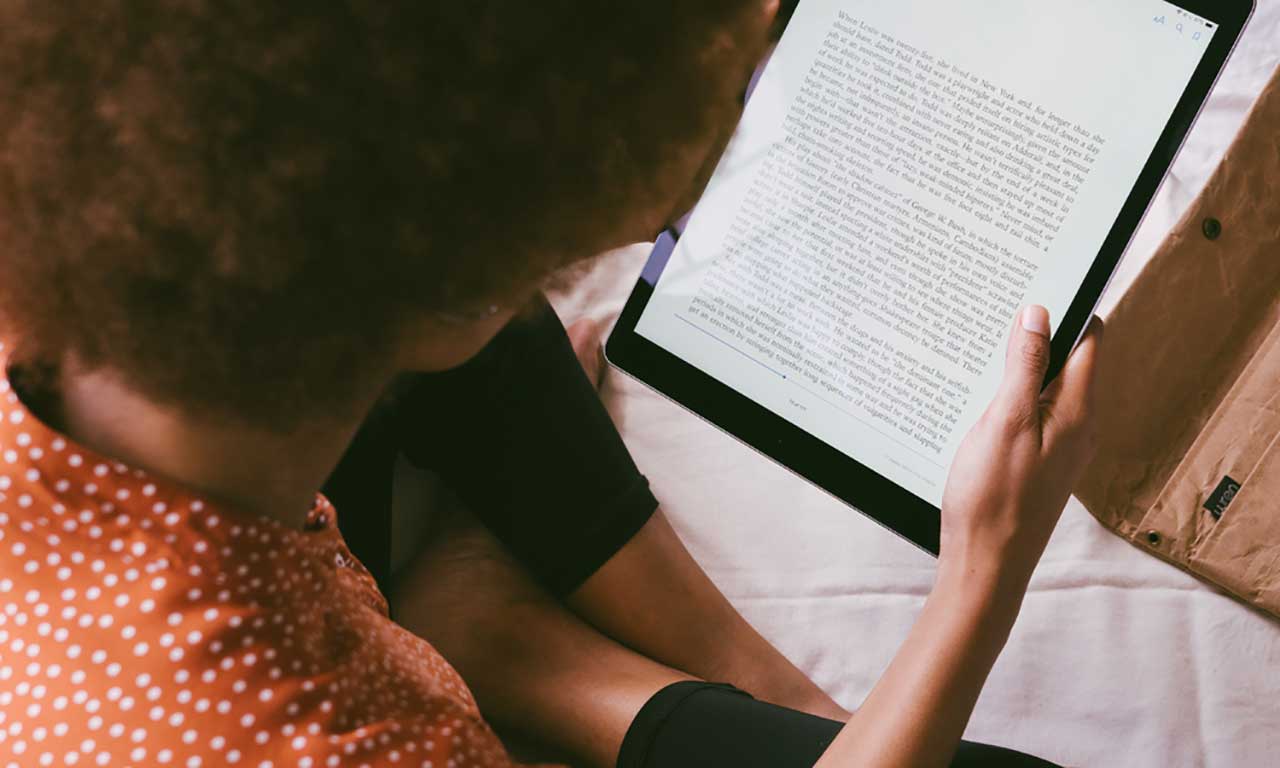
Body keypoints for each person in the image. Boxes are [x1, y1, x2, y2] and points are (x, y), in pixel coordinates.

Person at [0, 2, 1101, 767]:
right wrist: (982, 570)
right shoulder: (367, 742)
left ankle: (531, 637)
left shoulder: (116, 227)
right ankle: (525, 655)